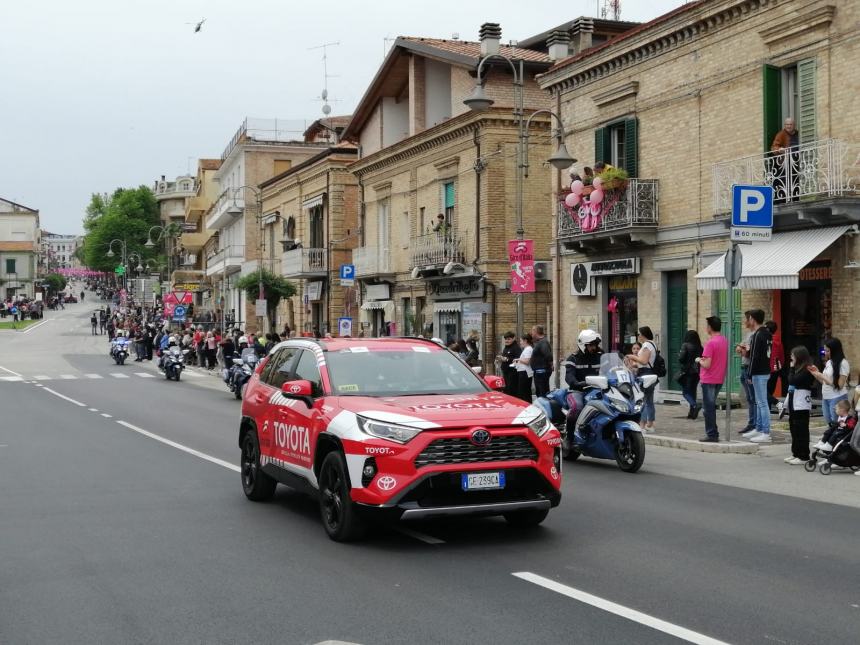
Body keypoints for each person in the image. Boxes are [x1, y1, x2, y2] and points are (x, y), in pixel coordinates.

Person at [738, 309, 773, 443]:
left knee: (762, 403)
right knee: (759, 402)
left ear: (752, 319)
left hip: (759, 372)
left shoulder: (758, 334)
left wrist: (750, 374)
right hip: (763, 371)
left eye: (749, 318)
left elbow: (754, 357)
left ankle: (765, 431)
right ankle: (758, 428)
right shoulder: (766, 333)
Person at [696, 316, 728, 442]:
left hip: (708, 379)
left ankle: (712, 434)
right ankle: (713, 431)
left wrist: (699, 360)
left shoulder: (710, 342)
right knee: (709, 407)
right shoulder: (724, 340)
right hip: (719, 378)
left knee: (708, 408)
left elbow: (707, 364)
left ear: (710, 327)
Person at [808, 337, 850, 425]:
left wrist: (822, 375)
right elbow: (824, 382)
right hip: (826, 397)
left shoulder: (843, 363)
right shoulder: (829, 362)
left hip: (837, 397)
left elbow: (840, 385)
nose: (825, 353)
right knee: (829, 422)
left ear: (835, 350)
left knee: (837, 423)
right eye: (824, 351)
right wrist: (816, 373)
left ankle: (838, 439)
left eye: (827, 351)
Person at [565, 329, 603, 426]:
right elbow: (569, 375)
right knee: (577, 408)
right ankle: (569, 437)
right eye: (591, 345)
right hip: (578, 391)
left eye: (595, 344)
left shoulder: (600, 356)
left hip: (597, 390)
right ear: (583, 345)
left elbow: (610, 369)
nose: (594, 347)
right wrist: (576, 383)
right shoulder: (573, 358)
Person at [783, 346, 814, 464]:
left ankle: (804, 455)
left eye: (793, 355)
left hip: (801, 401)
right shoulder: (798, 368)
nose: (791, 358)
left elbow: (792, 381)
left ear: (799, 357)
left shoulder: (806, 369)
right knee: (793, 427)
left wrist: (791, 369)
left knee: (801, 428)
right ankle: (795, 453)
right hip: (793, 399)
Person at [626, 326, 658, 432]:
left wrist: (631, 356)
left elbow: (643, 361)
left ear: (643, 335)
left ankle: (642, 425)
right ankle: (650, 424)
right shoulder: (652, 344)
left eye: (639, 334)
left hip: (645, 374)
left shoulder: (646, 345)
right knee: (649, 400)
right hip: (649, 372)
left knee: (642, 400)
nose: (638, 336)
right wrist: (634, 365)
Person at [769, 117, 799, 204]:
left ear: (794, 125)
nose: (788, 126)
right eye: (786, 125)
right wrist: (779, 149)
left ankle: (796, 196)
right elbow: (774, 147)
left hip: (797, 162)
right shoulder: (781, 134)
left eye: (790, 124)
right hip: (786, 163)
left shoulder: (798, 134)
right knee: (785, 180)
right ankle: (784, 197)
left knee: (795, 179)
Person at [678, 330, 703, 419]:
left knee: (686, 392)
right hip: (697, 372)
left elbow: (681, 359)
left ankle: (695, 405)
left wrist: (679, 355)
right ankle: (692, 413)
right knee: (693, 392)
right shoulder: (700, 347)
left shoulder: (685, 345)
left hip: (688, 371)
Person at [765, 320, 784, 409]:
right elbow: (781, 357)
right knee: (769, 392)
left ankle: (777, 403)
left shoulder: (766, 341)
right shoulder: (778, 341)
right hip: (775, 370)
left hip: (766, 370)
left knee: (763, 393)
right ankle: (767, 414)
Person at [530, 325, 552, 398]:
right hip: (540, 372)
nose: (531, 333)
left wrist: (550, 365)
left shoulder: (543, 342)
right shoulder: (541, 342)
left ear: (536, 332)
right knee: (540, 392)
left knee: (542, 393)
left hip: (541, 372)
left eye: (532, 331)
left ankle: (543, 408)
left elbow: (548, 355)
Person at [497, 332, 522, 398]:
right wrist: (500, 358)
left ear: (513, 338)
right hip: (506, 371)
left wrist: (507, 359)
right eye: (505, 339)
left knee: (511, 389)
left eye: (508, 339)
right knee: (506, 388)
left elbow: (518, 359)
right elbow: (505, 356)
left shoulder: (516, 348)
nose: (506, 341)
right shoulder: (506, 347)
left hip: (512, 372)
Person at [512, 333, 534, 403]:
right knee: (525, 391)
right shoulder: (527, 349)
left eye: (521, 341)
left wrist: (518, 359)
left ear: (525, 341)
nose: (520, 343)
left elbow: (527, 361)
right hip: (524, 372)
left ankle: (526, 405)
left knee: (524, 392)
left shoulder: (528, 349)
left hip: (525, 373)